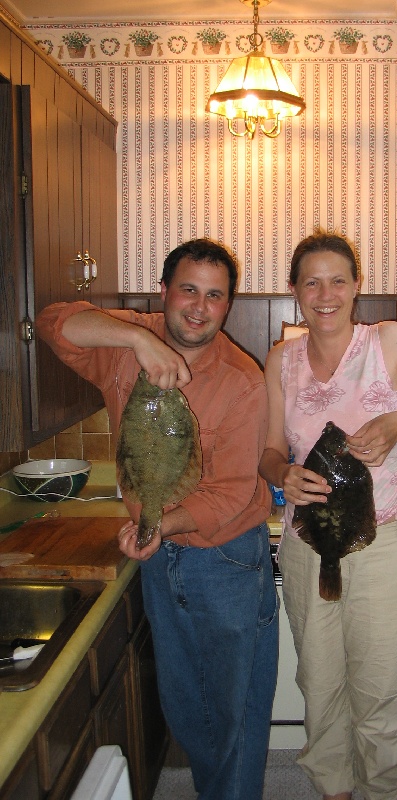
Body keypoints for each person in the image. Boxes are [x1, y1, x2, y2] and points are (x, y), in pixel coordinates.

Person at [36, 239, 278, 800]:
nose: (198, 307)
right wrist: (137, 339)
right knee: (187, 707)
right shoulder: (125, 342)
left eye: (215, 296)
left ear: (228, 306)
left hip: (223, 562)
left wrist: (160, 526)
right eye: (188, 289)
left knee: (232, 711)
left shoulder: (244, 380)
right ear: (164, 291)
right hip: (158, 555)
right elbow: (53, 321)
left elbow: (233, 492)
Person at [258, 231, 397, 800]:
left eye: (338, 280)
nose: (325, 293)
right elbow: (266, 450)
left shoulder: (391, 343)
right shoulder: (280, 360)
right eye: (311, 281)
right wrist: (278, 473)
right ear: (294, 291)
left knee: (381, 695)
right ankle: (333, 791)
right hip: (308, 547)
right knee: (319, 686)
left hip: (384, 547)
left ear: (358, 287)